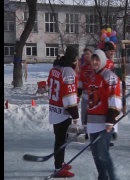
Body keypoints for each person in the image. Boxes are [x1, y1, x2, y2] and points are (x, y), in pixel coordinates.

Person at [86, 49, 122, 180]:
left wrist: (110, 121)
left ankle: (112, 178)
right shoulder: (93, 77)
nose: (95, 62)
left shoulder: (109, 76)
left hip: (104, 122)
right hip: (93, 122)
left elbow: (115, 99)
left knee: (102, 154)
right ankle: (102, 177)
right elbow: (90, 101)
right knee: (95, 154)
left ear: (102, 60)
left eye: (97, 59)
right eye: (93, 59)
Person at [47, 46, 80, 177]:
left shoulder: (55, 69)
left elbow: (50, 85)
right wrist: (75, 114)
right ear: (74, 59)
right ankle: (58, 167)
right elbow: (69, 95)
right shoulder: (68, 72)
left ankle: (60, 162)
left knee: (60, 138)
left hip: (54, 110)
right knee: (61, 140)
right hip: (63, 112)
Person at [100, 41, 119, 140]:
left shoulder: (111, 62)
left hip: (111, 90)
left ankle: (113, 130)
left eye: (113, 51)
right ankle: (108, 131)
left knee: (113, 110)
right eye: (110, 51)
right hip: (105, 91)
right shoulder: (104, 62)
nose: (112, 53)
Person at [77, 46, 95, 140]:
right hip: (85, 95)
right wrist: (78, 94)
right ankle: (85, 132)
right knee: (84, 114)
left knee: (93, 115)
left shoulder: (95, 66)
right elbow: (80, 82)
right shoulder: (83, 68)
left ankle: (93, 132)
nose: (86, 56)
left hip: (94, 96)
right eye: (85, 54)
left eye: (88, 54)